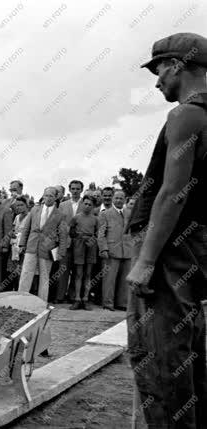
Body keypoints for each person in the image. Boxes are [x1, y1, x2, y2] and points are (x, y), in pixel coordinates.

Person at [126, 32, 207, 427]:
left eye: (159, 71)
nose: (157, 81)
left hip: (171, 255)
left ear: (177, 65)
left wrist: (145, 260)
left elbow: (173, 193)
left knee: (159, 355)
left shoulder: (185, 114)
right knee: (189, 352)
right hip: (195, 251)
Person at [17, 187, 67, 302]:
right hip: (31, 246)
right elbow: (26, 228)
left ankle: (41, 302)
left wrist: (61, 252)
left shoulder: (60, 214)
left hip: (47, 249)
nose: (48, 198)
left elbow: (63, 235)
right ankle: (20, 300)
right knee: (26, 273)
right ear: (43, 196)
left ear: (55, 198)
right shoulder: (35, 209)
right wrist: (22, 244)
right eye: (46, 195)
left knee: (44, 277)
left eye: (51, 196)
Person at [97, 190, 132, 311]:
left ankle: (122, 303)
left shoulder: (130, 213)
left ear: (125, 199)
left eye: (121, 198)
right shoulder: (105, 214)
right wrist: (103, 249)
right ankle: (108, 303)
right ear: (112, 199)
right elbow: (101, 234)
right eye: (116, 198)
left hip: (127, 250)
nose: (118, 200)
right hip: (111, 250)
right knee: (109, 279)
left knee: (125, 279)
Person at [68, 196, 99, 310]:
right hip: (79, 245)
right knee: (78, 273)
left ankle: (85, 299)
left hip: (91, 245)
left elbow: (98, 233)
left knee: (88, 274)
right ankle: (77, 299)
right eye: (85, 203)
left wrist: (92, 240)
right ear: (82, 204)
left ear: (93, 206)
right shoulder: (76, 218)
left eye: (90, 204)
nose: (87, 206)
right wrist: (78, 237)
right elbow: (71, 232)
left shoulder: (96, 219)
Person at [55, 180, 84, 303]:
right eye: (73, 188)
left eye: (78, 189)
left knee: (77, 271)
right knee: (63, 270)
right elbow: (59, 223)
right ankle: (60, 296)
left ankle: (73, 296)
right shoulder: (63, 205)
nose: (75, 191)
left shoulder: (86, 204)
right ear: (70, 190)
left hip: (80, 242)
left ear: (81, 190)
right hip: (65, 242)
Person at [7, 196, 30, 291]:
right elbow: (14, 229)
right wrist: (12, 234)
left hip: (24, 247)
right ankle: (14, 289)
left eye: (21, 205)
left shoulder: (30, 216)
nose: (19, 207)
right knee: (13, 269)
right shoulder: (17, 217)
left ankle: (21, 290)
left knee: (23, 270)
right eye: (17, 205)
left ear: (26, 205)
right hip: (15, 246)